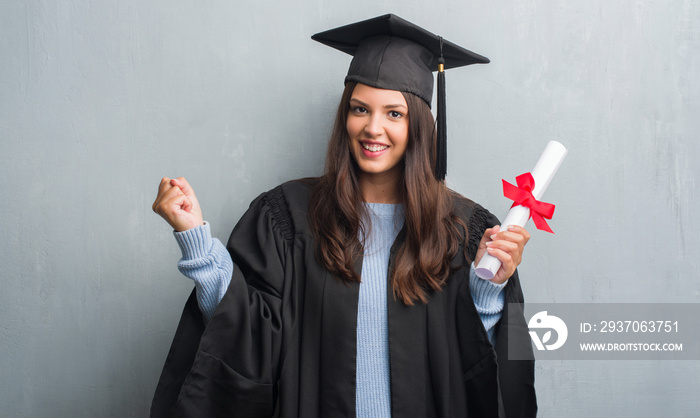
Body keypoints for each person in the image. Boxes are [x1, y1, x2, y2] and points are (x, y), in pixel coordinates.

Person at [150, 14, 537, 418]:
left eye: (394, 113)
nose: (372, 128)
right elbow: (248, 335)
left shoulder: (462, 228)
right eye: (359, 109)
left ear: (420, 126)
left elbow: (478, 368)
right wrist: (197, 242)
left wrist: (488, 287)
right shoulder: (289, 217)